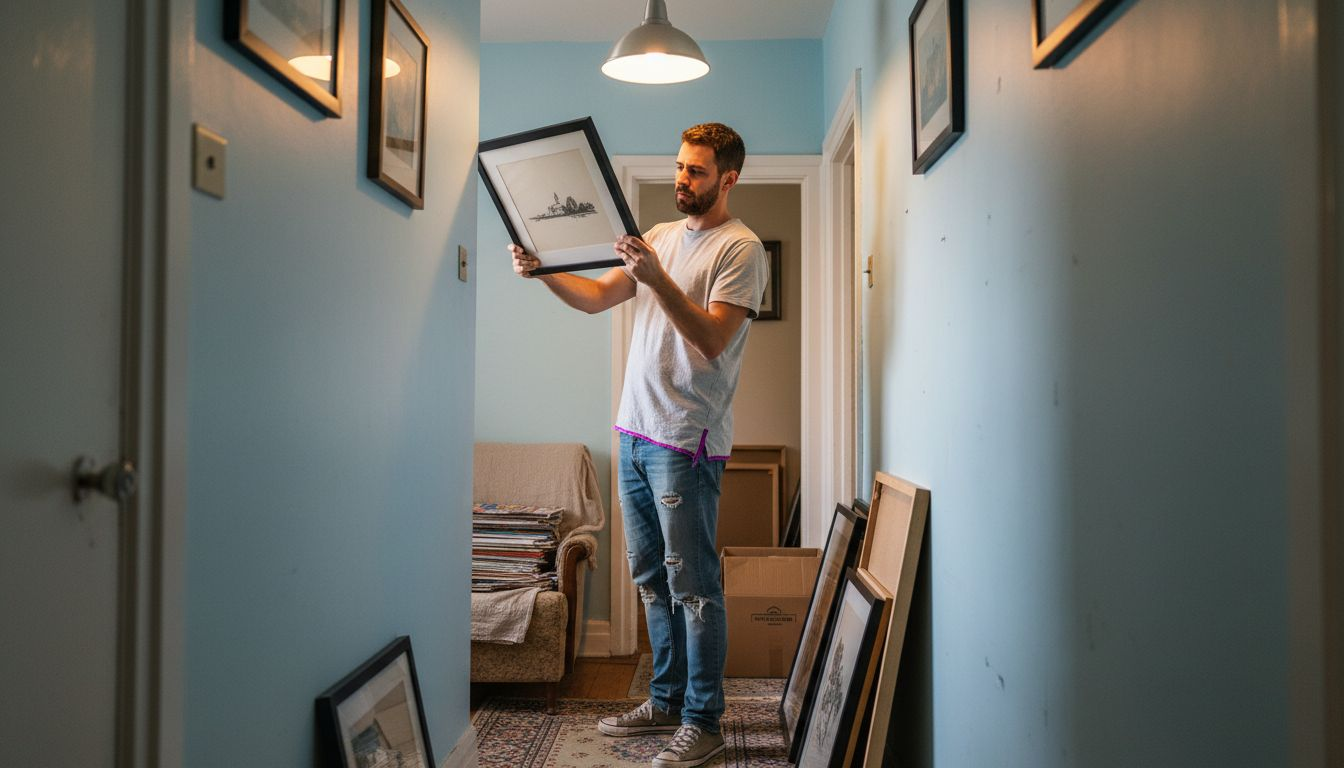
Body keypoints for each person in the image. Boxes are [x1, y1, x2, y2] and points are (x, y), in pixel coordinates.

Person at [509, 122, 766, 768]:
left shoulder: (741, 250)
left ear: (727, 179)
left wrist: (657, 280)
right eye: (679, 167)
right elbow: (598, 297)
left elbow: (710, 340)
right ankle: (666, 699)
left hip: (686, 442)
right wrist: (543, 272)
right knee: (652, 580)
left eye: (697, 171)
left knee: (695, 587)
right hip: (632, 432)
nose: (682, 179)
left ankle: (704, 721)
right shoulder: (656, 237)